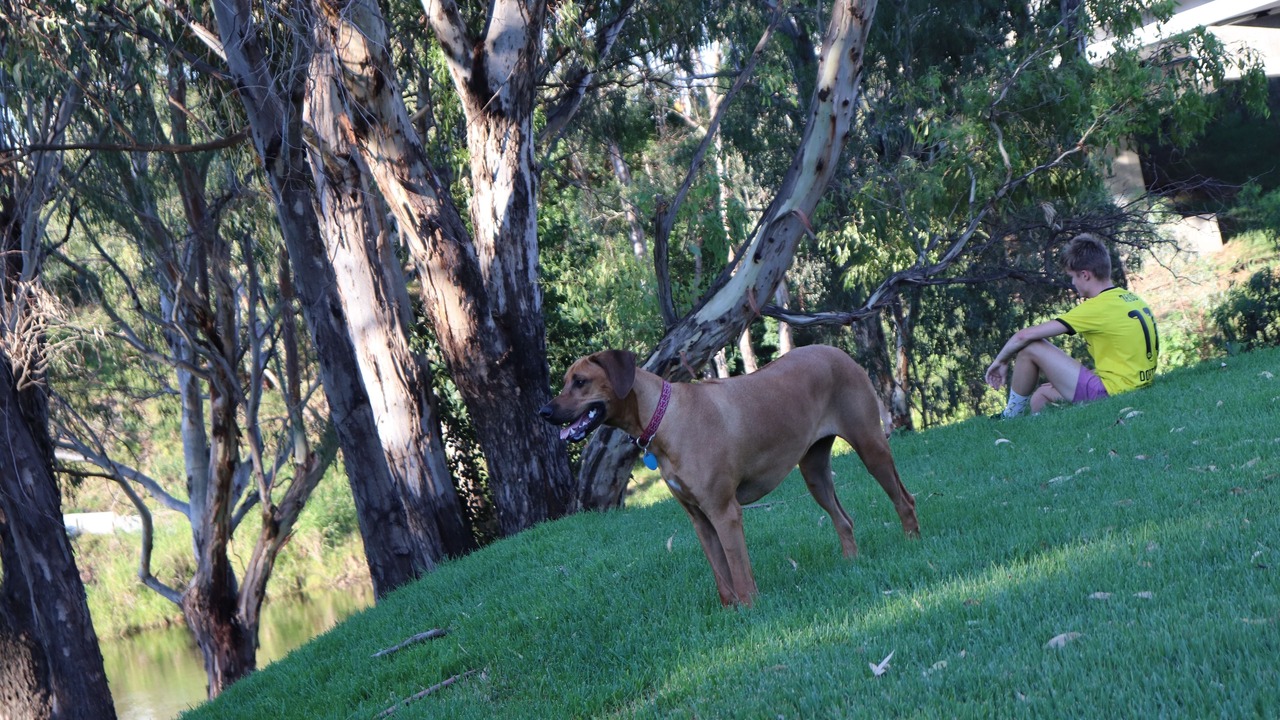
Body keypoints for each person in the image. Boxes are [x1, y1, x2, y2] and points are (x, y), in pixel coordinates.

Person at [986, 233, 1159, 418]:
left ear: (1085, 275)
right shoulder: (1131, 298)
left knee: (1030, 347)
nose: (1073, 283)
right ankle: (1039, 426)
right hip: (1137, 384)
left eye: (1072, 277)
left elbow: (1023, 336)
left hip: (1112, 392)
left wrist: (1001, 361)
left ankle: (1009, 417)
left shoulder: (1097, 307)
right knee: (1041, 394)